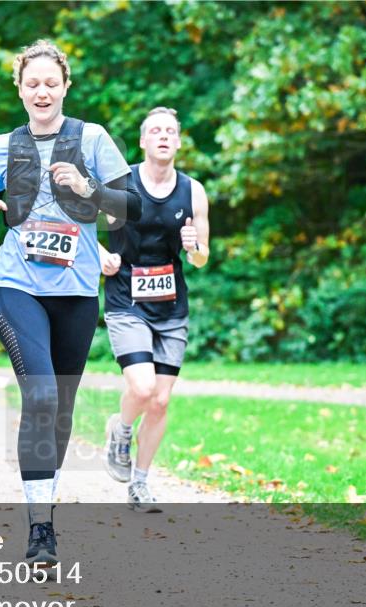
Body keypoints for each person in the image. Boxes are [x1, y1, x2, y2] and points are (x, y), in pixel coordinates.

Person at [0, 40, 142, 566]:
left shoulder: (91, 138)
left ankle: (46, 499)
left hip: (75, 291)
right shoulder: (4, 144)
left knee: (61, 408)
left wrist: (87, 186)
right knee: (41, 395)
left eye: (51, 83)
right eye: (32, 83)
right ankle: (39, 530)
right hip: (15, 283)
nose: (41, 91)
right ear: (19, 89)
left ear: (65, 86)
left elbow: (129, 207)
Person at [99, 107, 210, 511]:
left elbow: (201, 259)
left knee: (161, 401)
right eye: (155, 131)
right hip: (126, 300)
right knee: (143, 389)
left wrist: (195, 246)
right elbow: (78, 224)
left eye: (171, 131)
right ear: (144, 141)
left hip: (171, 306)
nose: (164, 136)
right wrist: (99, 255)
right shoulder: (120, 183)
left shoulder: (193, 191)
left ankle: (140, 484)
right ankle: (121, 428)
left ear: (178, 142)